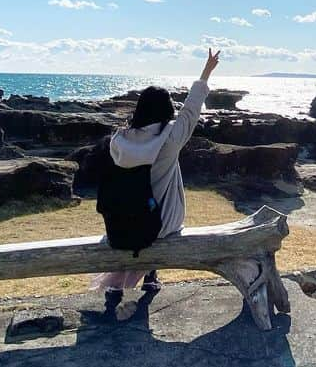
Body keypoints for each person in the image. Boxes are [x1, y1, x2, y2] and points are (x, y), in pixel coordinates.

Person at [92, 47, 221, 315]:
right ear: (166, 110)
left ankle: (125, 283)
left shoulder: (119, 139)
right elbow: (191, 110)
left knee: (143, 214)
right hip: (161, 222)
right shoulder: (170, 138)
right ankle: (148, 276)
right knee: (160, 213)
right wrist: (206, 71)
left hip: (122, 220)